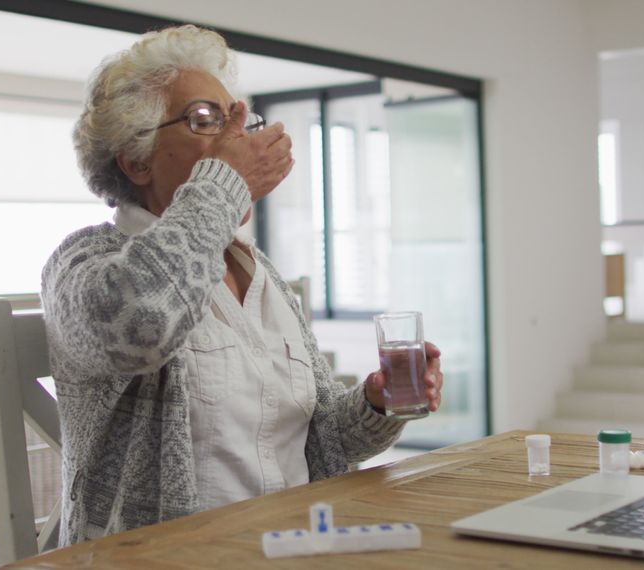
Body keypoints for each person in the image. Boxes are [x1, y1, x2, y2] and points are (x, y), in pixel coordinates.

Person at [41, 25, 445, 545]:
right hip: (167, 557)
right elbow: (142, 324)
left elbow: (321, 442)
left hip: (293, 545)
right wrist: (225, 184)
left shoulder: (262, 273)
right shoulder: (84, 261)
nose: (239, 139)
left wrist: (377, 402)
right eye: (206, 120)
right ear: (136, 160)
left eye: (239, 121)